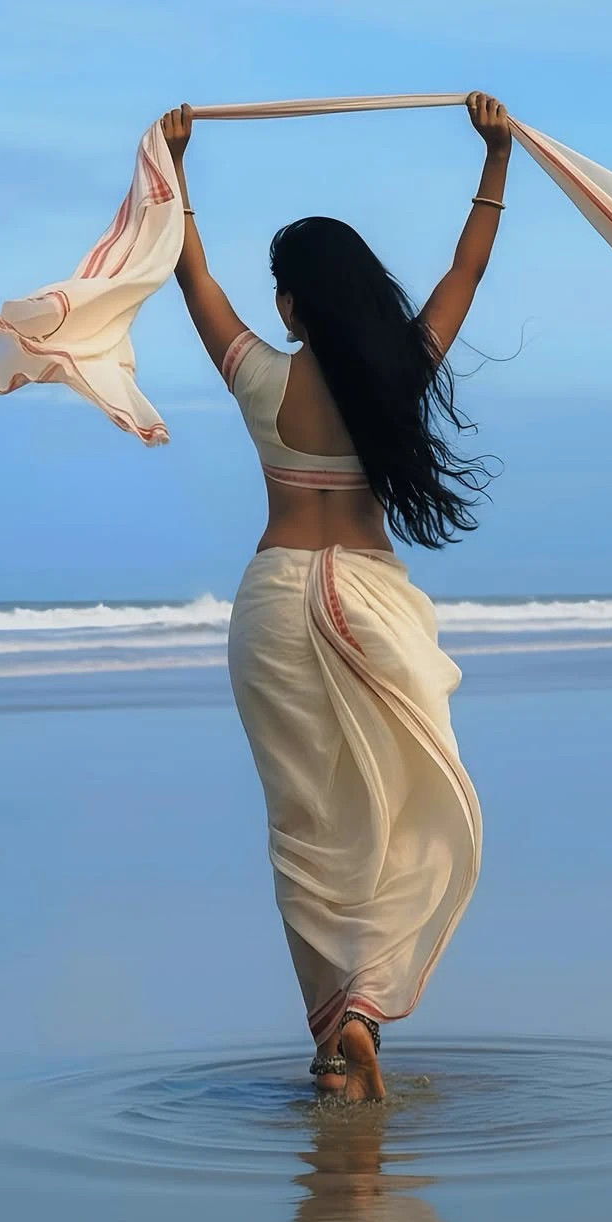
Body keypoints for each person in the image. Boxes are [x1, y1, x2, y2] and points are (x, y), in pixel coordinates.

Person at [160, 92, 509, 1100]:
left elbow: (191, 272)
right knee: (396, 810)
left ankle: (331, 1037)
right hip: (369, 602)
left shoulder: (258, 378)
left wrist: (175, 171)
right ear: (361, 295)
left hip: (273, 602)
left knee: (305, 821)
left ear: (290, 306)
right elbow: (466, 270)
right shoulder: (399, 376)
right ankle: (361, 1013)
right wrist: (494, 162)